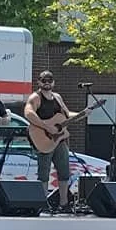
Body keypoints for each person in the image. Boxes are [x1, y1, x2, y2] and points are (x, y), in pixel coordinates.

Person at [25, 70, 77, 210]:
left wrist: (82, 114)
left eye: (49, 80)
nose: (47, 83)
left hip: (59, 140)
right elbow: (28, 113)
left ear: (53, 82)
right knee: (44, 173)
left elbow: (66, 114)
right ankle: (42, 204)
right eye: (44, 80)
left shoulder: (57, 97)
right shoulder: (36, 97)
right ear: (39, 82)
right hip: (43, 140)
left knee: (64, 172)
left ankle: (64, 203)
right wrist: (47, 127)